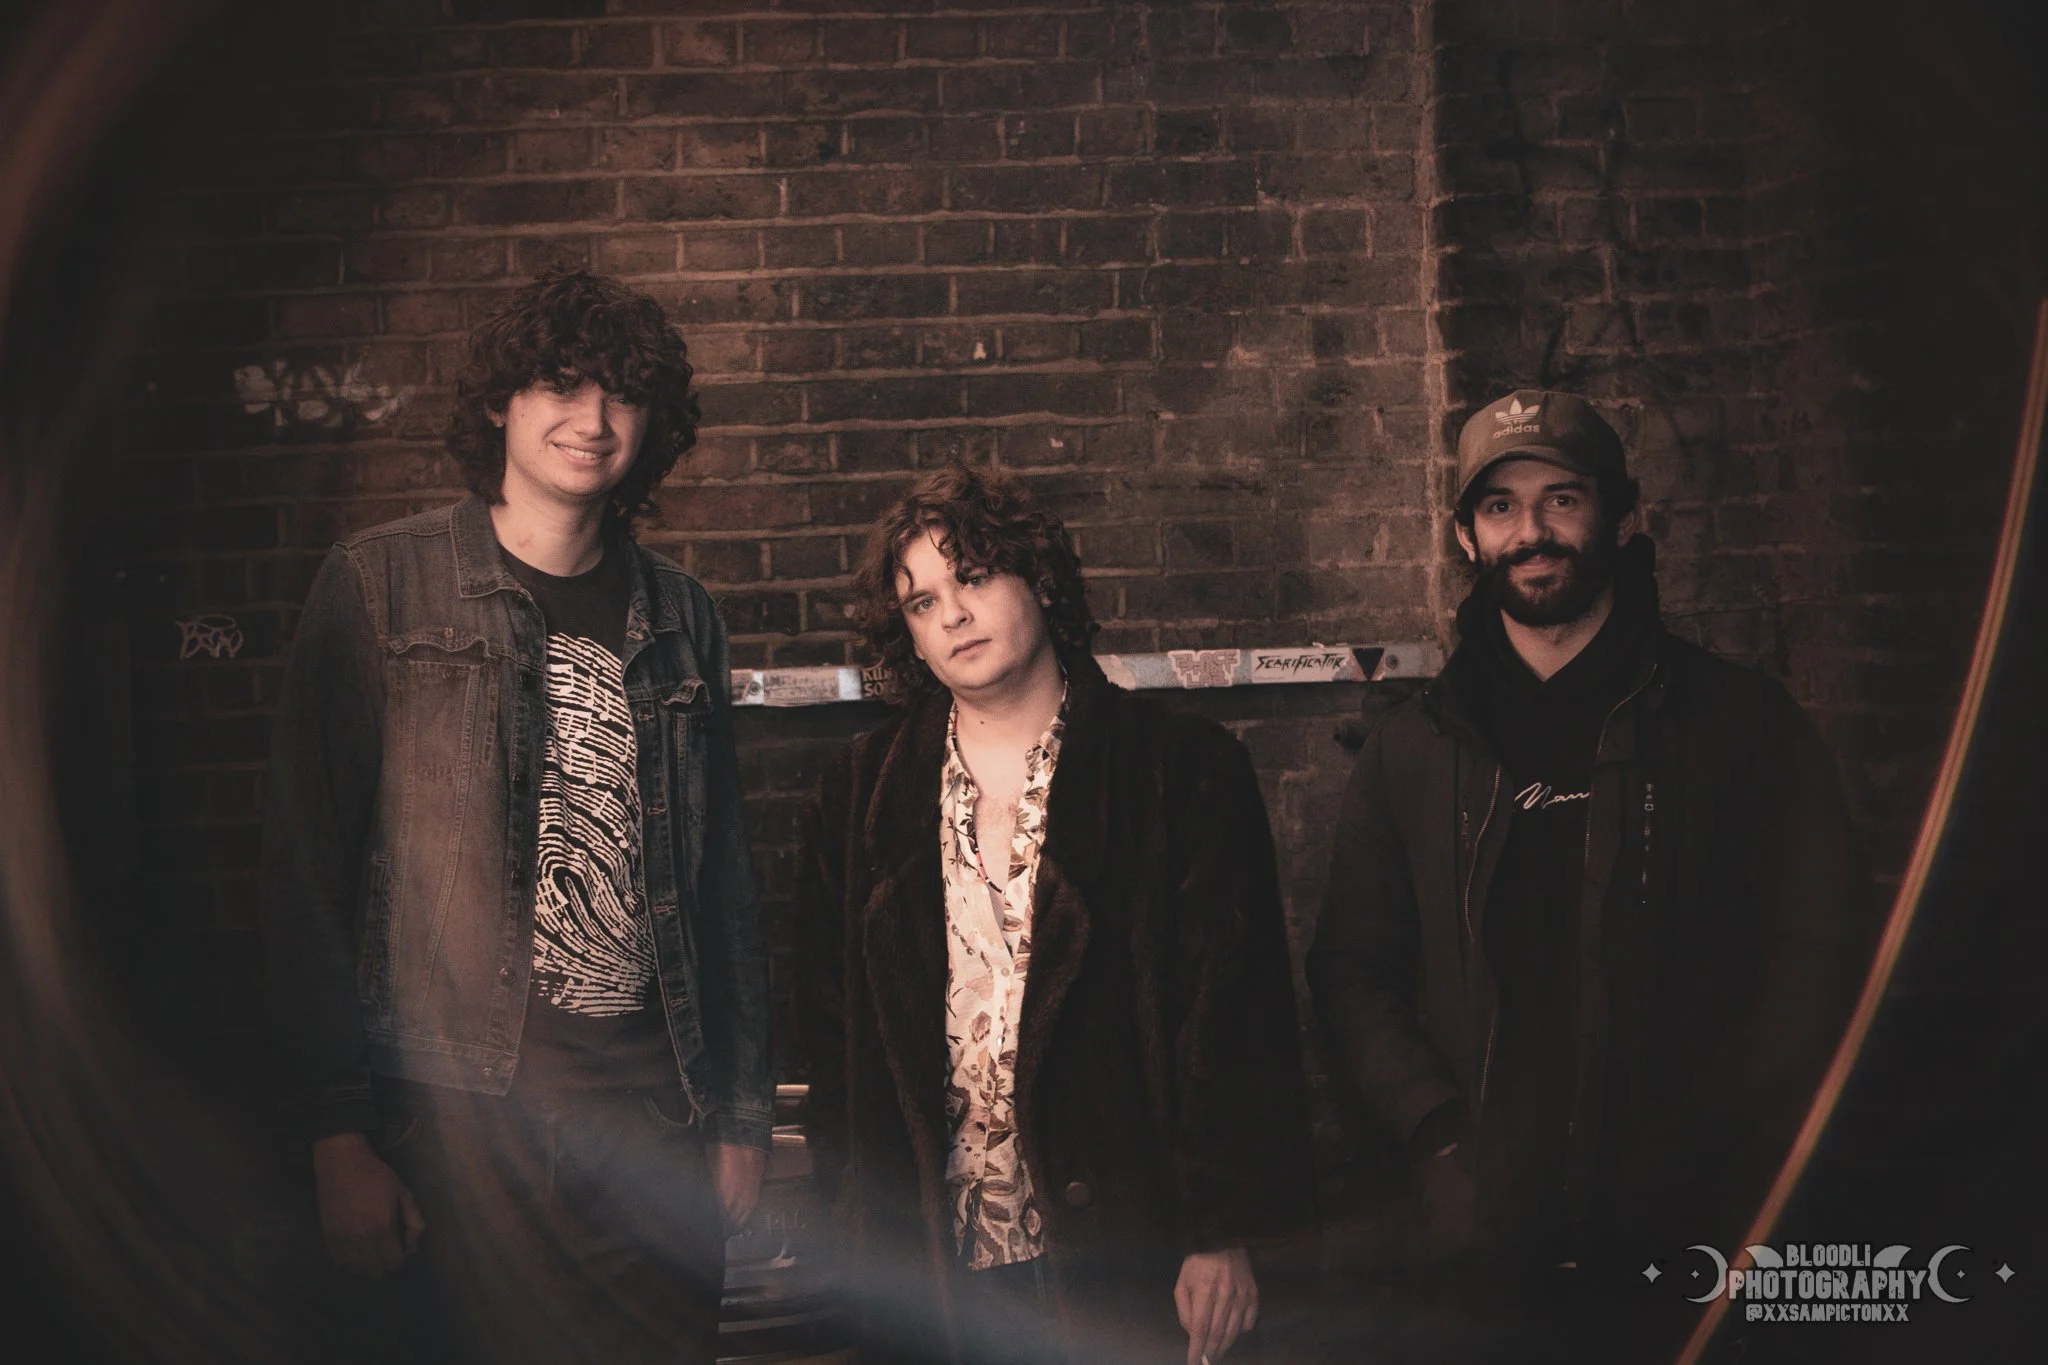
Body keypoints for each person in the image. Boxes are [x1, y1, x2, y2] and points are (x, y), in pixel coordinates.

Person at [260, 270, 770, 1364]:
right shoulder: (378, 587)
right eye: (560, 385)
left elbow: (722, 889)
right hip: (455, 1132)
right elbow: (304, 874)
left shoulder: (683, 616)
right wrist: (333, 1133)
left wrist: (738, 1120)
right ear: (500, 401)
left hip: (656, 1126)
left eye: (623, 397)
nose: (591, 422)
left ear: (654, 425)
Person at [1306, 390, 1874, 1360]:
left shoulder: (1737, 725)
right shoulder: (1413, 751)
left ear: (1623, 517)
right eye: (1498, 507)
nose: (1530, 532)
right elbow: (1351, 969)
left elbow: (1819, 962)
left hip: (1690, 1244)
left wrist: (1725, 1146)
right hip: (1481, 1261)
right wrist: (1436, 1138)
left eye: (1560, 499)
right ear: (1464, 535)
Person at [794, 464, 1314, 1365]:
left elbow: (1233, 1021)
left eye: (974, 576)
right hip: (935, 1270)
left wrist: (1220, 1229)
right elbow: (834, 1041)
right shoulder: (858, 795)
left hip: (1126, 1252)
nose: (951, 613)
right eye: (921, 602)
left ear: (1038, 579)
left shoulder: (1178, 771)